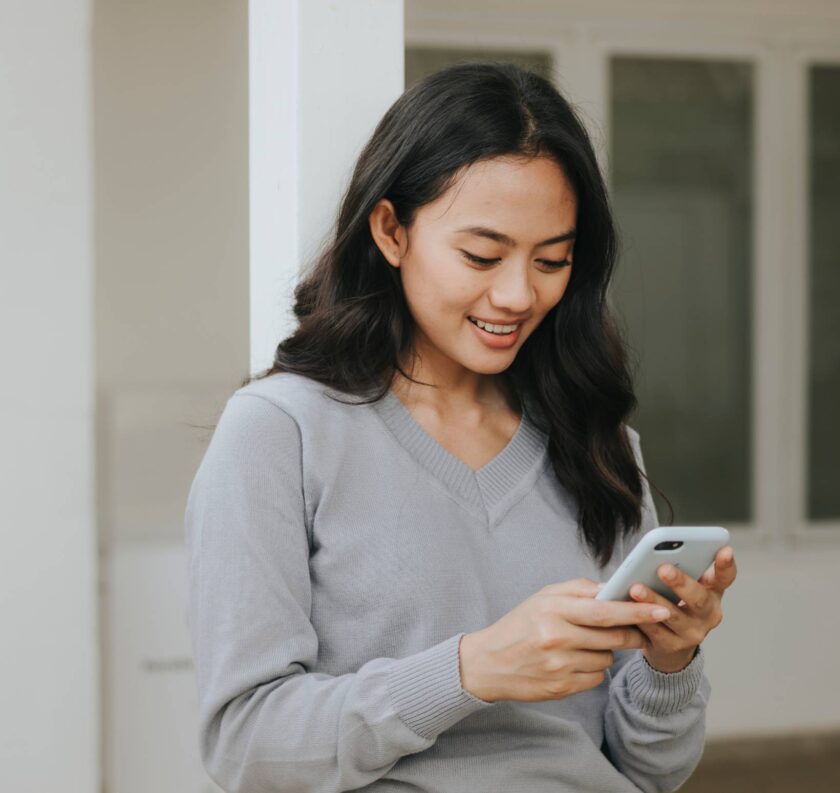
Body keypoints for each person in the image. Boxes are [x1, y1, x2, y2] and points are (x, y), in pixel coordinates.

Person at [184, 61, 737, 793]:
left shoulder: (594, 442)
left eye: (552, 260)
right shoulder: (279, 434)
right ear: (391, 230)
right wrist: (470, 669)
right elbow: (247, 743)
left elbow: (650, 769)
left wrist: (671, 660)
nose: (517, 294)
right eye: (481, 254)